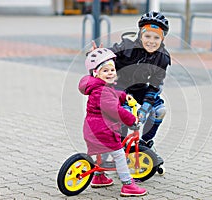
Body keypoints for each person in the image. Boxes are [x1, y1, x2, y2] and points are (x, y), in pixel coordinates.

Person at [78, 48, 147, 197]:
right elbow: (115, 110)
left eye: (112, 69)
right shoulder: (101, 91)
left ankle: (99, 177)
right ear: (96, 73)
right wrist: (132, 120)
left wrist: (123, 96)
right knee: (119, 155)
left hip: (94, 129)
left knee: (102, 153)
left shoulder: (99, 87)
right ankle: (128, 184)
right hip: (104, 131)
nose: (110, 73)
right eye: (105, 71)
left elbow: (111, 95)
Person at [110, 11, 171, 149]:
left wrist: (145, 108)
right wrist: (95, 54)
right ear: (140, 35)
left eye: (156, 37)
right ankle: (121, 145)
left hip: (139, 87)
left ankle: (145, 143)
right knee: (125, 112)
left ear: (162, 39)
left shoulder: (162, 58)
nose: (151, 41)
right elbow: (106, 55)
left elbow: (155, 85)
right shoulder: (127, 47)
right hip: (119, 85)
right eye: (147, 36)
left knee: (159, 110)